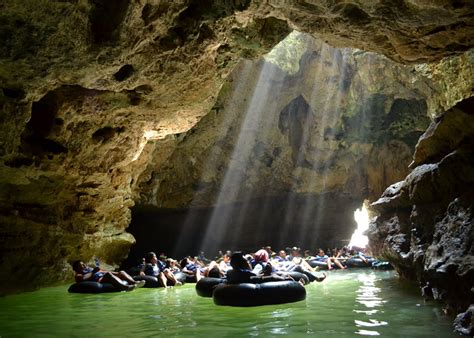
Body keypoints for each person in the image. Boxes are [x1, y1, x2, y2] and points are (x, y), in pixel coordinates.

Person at [72, 260, 144, 291]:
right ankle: (125, 287)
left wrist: (117, 273)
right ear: (77, 268)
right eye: (81, 265)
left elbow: (103, 271)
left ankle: (134, 282)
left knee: (121, 272)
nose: (84, 265)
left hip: (103, 276)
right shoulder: (78, 274)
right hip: (99, 280)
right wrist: (93, 272)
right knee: (108, 274)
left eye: (84, 264)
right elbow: (83, 278)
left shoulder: (90, 269)